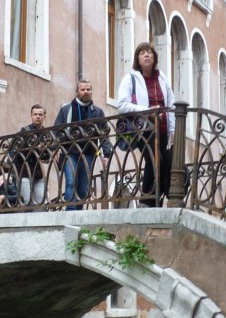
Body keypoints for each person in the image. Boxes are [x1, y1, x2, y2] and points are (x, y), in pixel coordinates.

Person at [117, 42, 175, 204]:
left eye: (149, 52)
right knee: (155, 160)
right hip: (143, 129)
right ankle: (148, 200)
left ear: (155, 57)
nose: (146, 55)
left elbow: (171, 104)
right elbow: (122, 104)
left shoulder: (162, 78)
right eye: (142, 53)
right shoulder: (131, 78)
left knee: (171, 162)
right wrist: (147, 110)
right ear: (138, 58)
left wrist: (173, 129)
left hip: (164, 130)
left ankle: (164, 196)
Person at [52, 80, 112, 210]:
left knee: (84, 188)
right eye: (83, 89)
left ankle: (78, 214)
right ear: (77, 92)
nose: (86, 92)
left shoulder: (97, 112)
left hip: (89, 154)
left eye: (88, 89)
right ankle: (70, 213)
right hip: (70, 153)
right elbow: (56, 130)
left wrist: (106, 154)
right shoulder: (66, 109)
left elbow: (104, 135)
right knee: (71, 182)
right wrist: (55, 148)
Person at [12, 105, 51, 205]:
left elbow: (47, 157)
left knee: (41, 202)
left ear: (44, 117)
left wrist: (44, 153)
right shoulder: (24, 131)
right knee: (26, 202)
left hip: (38, 174)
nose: (38, 116)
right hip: (24, 173)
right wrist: (35, 148)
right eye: (35, 114)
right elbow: (18, 153)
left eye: (40, 114)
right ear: (31, 116)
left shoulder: (46, 133)